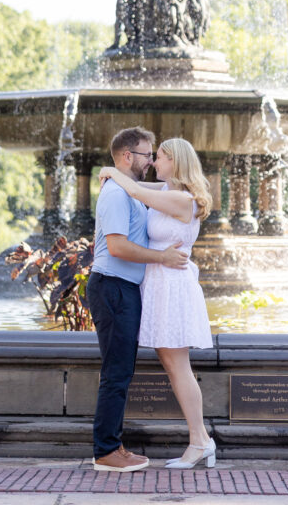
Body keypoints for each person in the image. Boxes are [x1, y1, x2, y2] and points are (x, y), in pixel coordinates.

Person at [99, 137, 216, 470]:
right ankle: (201, 440)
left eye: (160, 157)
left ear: (175, 163)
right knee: (171, 363)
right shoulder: (167, 191)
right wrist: (118, 172)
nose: (153, 162)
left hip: (173, 285)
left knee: (178, 365)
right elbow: (138, 185)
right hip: (159, 282)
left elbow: (136, 191)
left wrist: (109, 169)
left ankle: (199, 441)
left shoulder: (183, 199)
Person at [86, 127, 189, 473]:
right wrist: (161, 258)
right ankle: (106, 451)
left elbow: (168, 189)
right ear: (129, 156)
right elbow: (116, 247)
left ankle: (113, 445)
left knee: (121, 370)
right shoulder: (116, 193)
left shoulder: (130, 191)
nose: (150, 161)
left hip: (123, 288)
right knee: (116, 371)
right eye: (147, 155)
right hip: (112, 286)